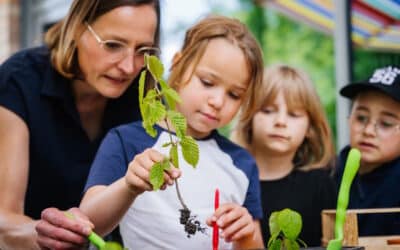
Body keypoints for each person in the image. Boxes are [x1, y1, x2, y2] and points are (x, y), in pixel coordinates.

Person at [79, 15, 265, 250]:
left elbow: (254, 244)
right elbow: (87, 222)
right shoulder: (127, 141)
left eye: (234, 95)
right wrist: (128, 186)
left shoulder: (241, 164)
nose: (217, 101)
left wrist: (246, 236)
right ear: (178, 63)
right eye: (207, 82)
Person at [0, 0, 161, 249]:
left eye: (143, 50)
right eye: (113, 45)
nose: (129, 67)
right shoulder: (19, 82)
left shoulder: (146, 95)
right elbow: (4, 219)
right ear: (75, 28)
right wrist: (44, 235)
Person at [232, 64, 336, 247]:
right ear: (249, 118)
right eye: (268, 110)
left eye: (294, 114)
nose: (280, 121)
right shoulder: (229, 178)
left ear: (310, 129)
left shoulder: (322, 185)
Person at [336, 65, 400, 236]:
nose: (369, 131)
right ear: (349, 119)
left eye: (386, 123)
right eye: (361, 118)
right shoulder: (330, 171)